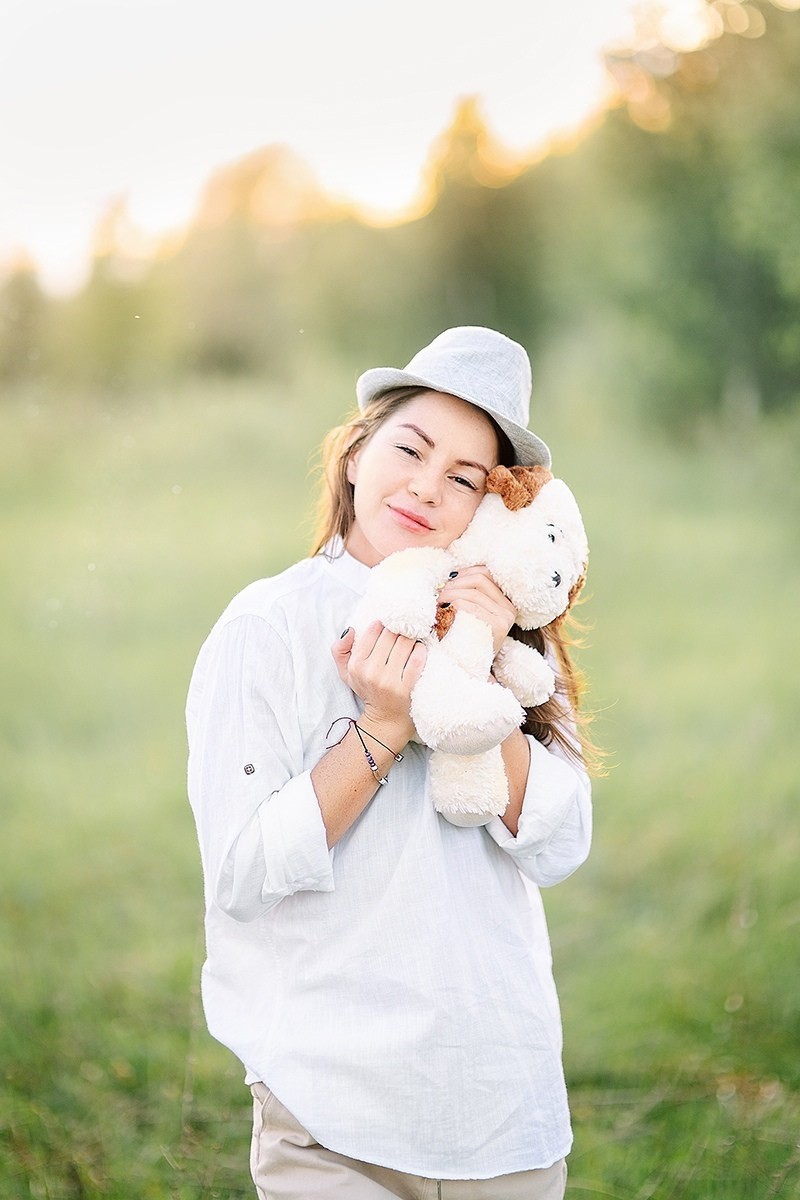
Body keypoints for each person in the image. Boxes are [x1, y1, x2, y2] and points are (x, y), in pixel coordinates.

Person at [186, 325, 594, 1200]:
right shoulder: (268, 626)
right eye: (411, 448)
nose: (426, 487)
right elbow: (247, 873)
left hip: (502, 1105)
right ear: (355, 452)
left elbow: (561, 843)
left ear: (493, 508)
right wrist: (384, 724)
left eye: (464, 479)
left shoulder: (505, 634)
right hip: (335, 1114)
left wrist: (477, 688)